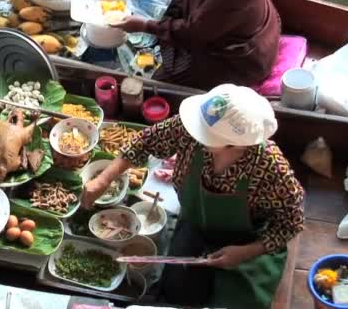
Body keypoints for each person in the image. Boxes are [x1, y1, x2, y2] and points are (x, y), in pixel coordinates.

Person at [82, 84, 304, 308]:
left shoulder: (270, 166)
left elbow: (291, 223)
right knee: (179, 294)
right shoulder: (193, 128)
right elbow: (145, 142)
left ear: (235, 144)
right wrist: (103, 179)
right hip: (194, 225)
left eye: (206, 136)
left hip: (248, 240)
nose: (194, 133)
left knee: (240, 303)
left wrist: (245, 252)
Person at [94, 0, 281, 90]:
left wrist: (143, 25)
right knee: (171, 13)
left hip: (236, 59)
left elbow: (194, 33)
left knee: (159, 83)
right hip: (216, 24)